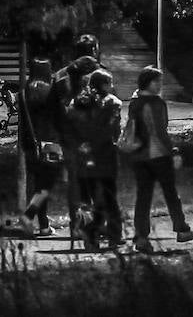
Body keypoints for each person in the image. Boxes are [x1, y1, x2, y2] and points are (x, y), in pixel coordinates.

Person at [125, 66, 193, 253]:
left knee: (143, 197)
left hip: (138, 156)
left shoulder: (135, 102)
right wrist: (173, 151)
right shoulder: (155, 103)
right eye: (157, 81)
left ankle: (141, 237)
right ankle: (181, 229)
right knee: (170, 193)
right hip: (157, 154)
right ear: (148, 82)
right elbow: (159, 131)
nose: (160, 85)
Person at [66, 68, 123, 250]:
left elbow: (70, 129)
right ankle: (113, 235)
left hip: (83, 158)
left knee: (86, 199)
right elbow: (112, 131)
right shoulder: (112, 104)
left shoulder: (77, 103)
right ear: (104, 84)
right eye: (110, 82)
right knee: (109, 198)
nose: (112, 86)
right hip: (104, 156)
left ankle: (88, 234)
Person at [50, 51, 101, 233]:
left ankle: (80, 224)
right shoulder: (81, 86)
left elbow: (55, 111)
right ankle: (88, 224)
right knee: (88, 182)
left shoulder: (61, 79)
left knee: (77, 183)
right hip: (81, 140)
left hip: (69, 139)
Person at [15, 58, 59, 237]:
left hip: (29, 144)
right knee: (46, 184)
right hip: (48, 142)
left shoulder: (24, 92)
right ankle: (29, 216)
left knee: (41, 184)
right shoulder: (48, 91)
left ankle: (44, 224)